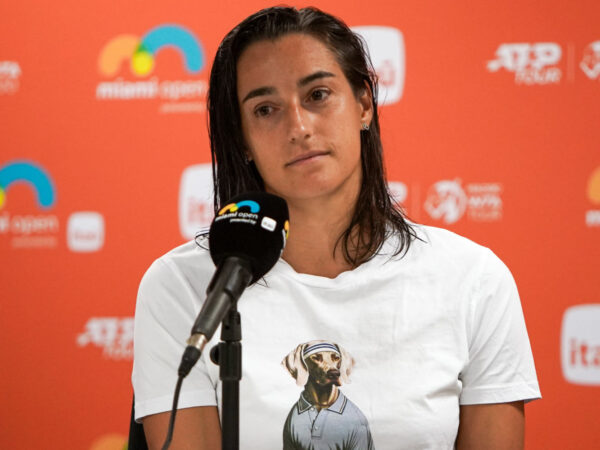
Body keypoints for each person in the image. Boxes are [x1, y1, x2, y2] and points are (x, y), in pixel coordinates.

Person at [132, 6, 541, 449]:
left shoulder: (473, 280)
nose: (299, 126)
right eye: (266, 109)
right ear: (242, 139)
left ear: (364, 104)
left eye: (318, 95)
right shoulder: (184, 286)